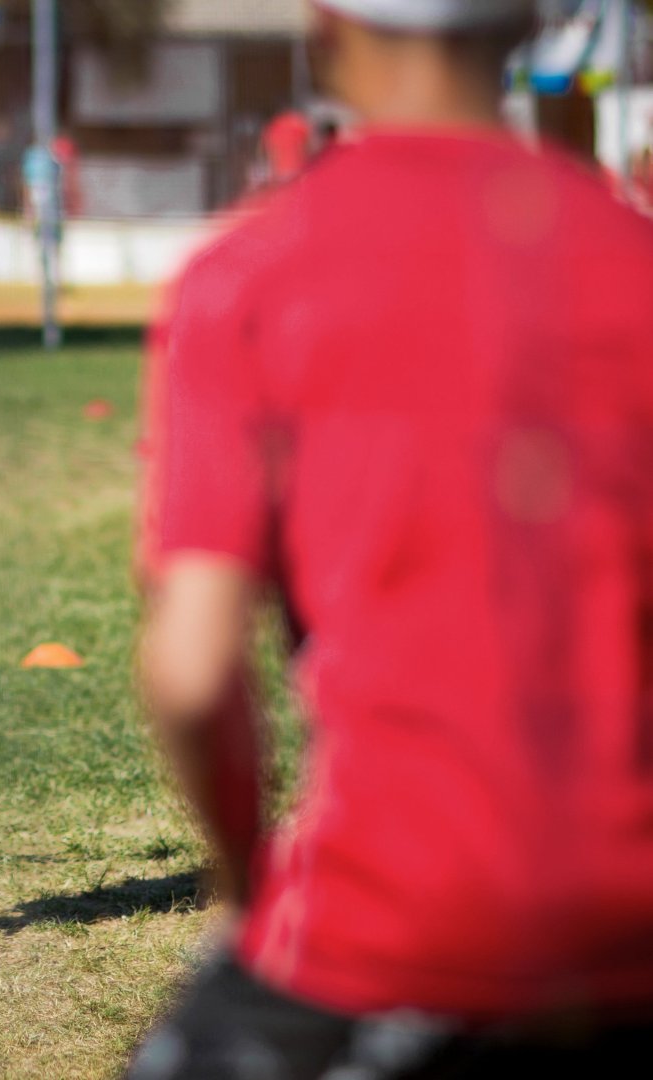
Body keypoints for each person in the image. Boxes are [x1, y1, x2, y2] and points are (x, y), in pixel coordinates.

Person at [130, 1, 653, 1076]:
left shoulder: (252, 273)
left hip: (383, 925)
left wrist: (250, 891)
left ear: (328, 26)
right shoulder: (633, 255)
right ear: (525, 24)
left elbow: (192, 671)